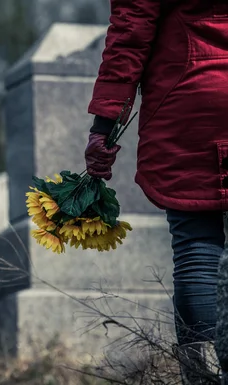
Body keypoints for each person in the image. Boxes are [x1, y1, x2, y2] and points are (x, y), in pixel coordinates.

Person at [84, 1, 228, 384]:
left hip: (193, 96)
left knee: (197, 246)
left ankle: (205, 377)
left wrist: (104, 123)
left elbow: (131, 30)